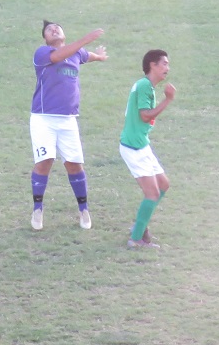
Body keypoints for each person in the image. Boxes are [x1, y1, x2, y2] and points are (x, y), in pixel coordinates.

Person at [29, 22, 108, 231]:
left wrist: (99, 57)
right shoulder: (42, 53)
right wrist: (86, 39)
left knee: (74, 164)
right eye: (49, 30)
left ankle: (84, 210)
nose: (54, 30)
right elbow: (59, 56)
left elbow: (86, 55)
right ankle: (37, 209)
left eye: (57, 27)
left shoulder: (77, 53)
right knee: (45, 162)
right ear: (45, 39)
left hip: (68, 119)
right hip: (43, 118)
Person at [119, 51, 176, 250]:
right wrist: (168, 100)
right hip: (134, 148)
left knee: (163, 184)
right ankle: (136, 239)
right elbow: (145, 116)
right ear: (153, 65)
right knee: (152, 193)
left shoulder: (147, 86)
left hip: (141, 144)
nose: (167, 68)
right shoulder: (144, 86)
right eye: (164, 64)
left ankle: (140, 225)